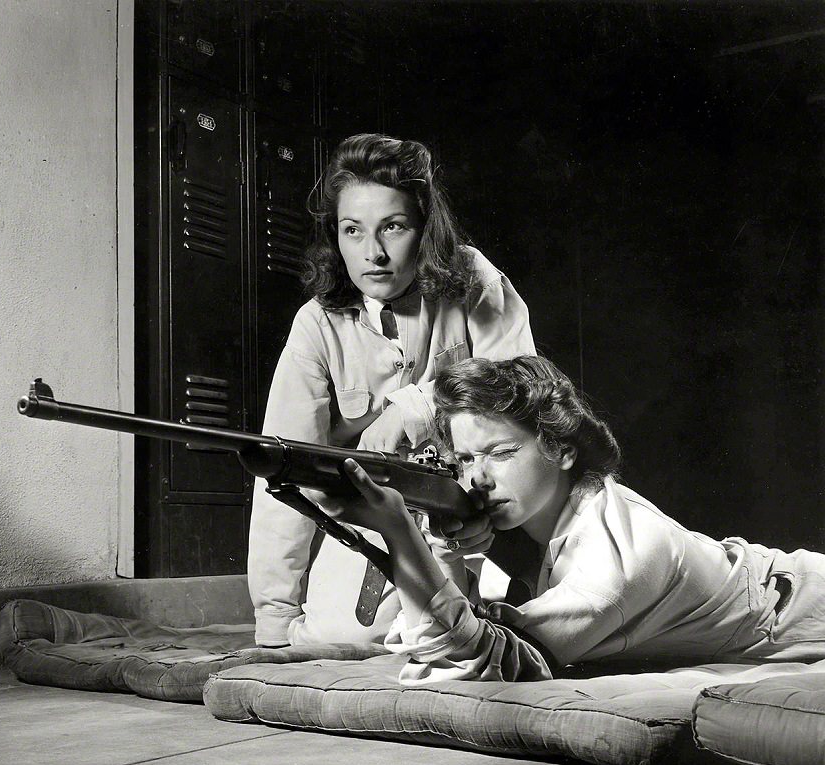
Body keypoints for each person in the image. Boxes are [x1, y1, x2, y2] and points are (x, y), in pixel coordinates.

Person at [312, 355, 825, 683]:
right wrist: (445, 546)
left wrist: (399, 531)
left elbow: (463, 660)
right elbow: (444, 630)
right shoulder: (553, 517)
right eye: (466, 459)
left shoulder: (615, 564)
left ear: (559, 448)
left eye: (501, 453)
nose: (477, 479)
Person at [248, 134, 536, 647]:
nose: (373, 253)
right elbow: (282, 474)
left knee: (490, 631)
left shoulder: (471, 277)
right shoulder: (315, 325)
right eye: (352, 231)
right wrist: (272, 623)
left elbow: (521, 385)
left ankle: (496, 588)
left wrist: (416, 406)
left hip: (485, 502)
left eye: (394, 227)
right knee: (341, 639)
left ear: (424, 229)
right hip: (377, 513)